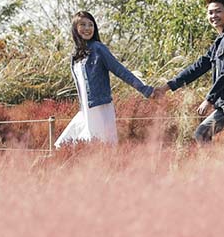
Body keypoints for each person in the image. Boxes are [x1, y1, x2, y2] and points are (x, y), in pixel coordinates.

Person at [156, 0, 224, 143]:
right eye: (210, 12)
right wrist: (168, 86)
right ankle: (211, 166)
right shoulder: (220, 40)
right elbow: (199, 66)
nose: (214, 15)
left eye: (218, 11)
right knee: (202, 134)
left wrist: (209, 99)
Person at [55, 11, 155, 147]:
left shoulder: (98, 49)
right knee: (62, 145)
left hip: (99, 109)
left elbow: (120, 70)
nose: (87, 28)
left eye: (91, 25)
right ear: (75, 28)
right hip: (85, 111)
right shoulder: (75, 56)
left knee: (98, 149)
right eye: (82, 24)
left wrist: (145, 89)